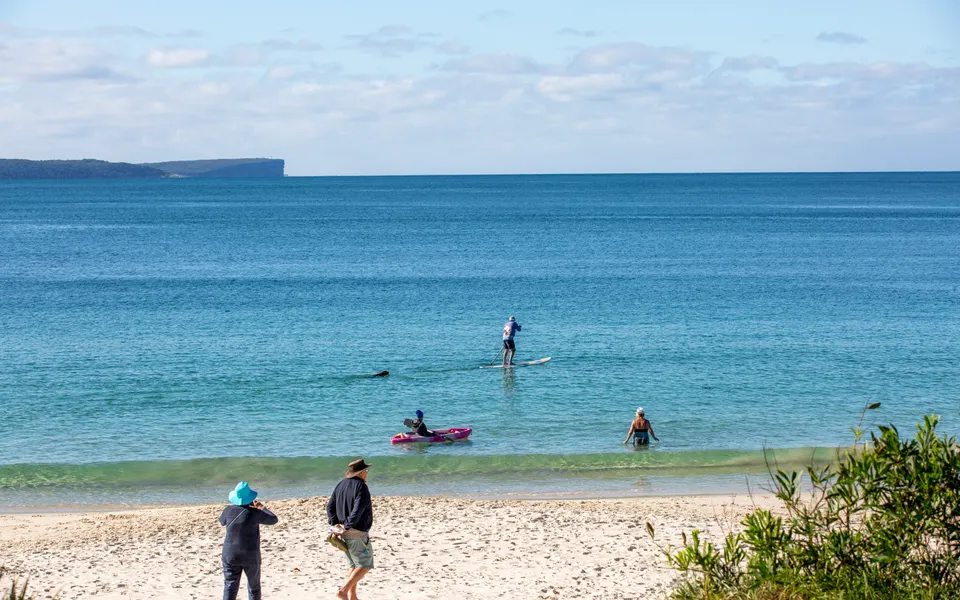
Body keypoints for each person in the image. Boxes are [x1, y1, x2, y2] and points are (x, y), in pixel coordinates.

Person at [218, 481, 279, 600]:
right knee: (254, 587)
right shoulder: (255, 513)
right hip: (250, 554)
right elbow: (273, 519)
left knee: (230, 586)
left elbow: (222, 521)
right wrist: (261, 507)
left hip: (230, 553)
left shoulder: (228, 510)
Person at [327, 459, 374, 600]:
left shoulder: (340, 485)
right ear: (360, 473)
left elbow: (330, 506)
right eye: (365, 471)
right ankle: (343, 591)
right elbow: (357, 510)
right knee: (365, 565)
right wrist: (347, 525)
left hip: (343, 531)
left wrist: (335, 525)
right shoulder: (362, 487)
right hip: (356, 531)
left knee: (354, 564)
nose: (367, 473)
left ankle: (352, 596)